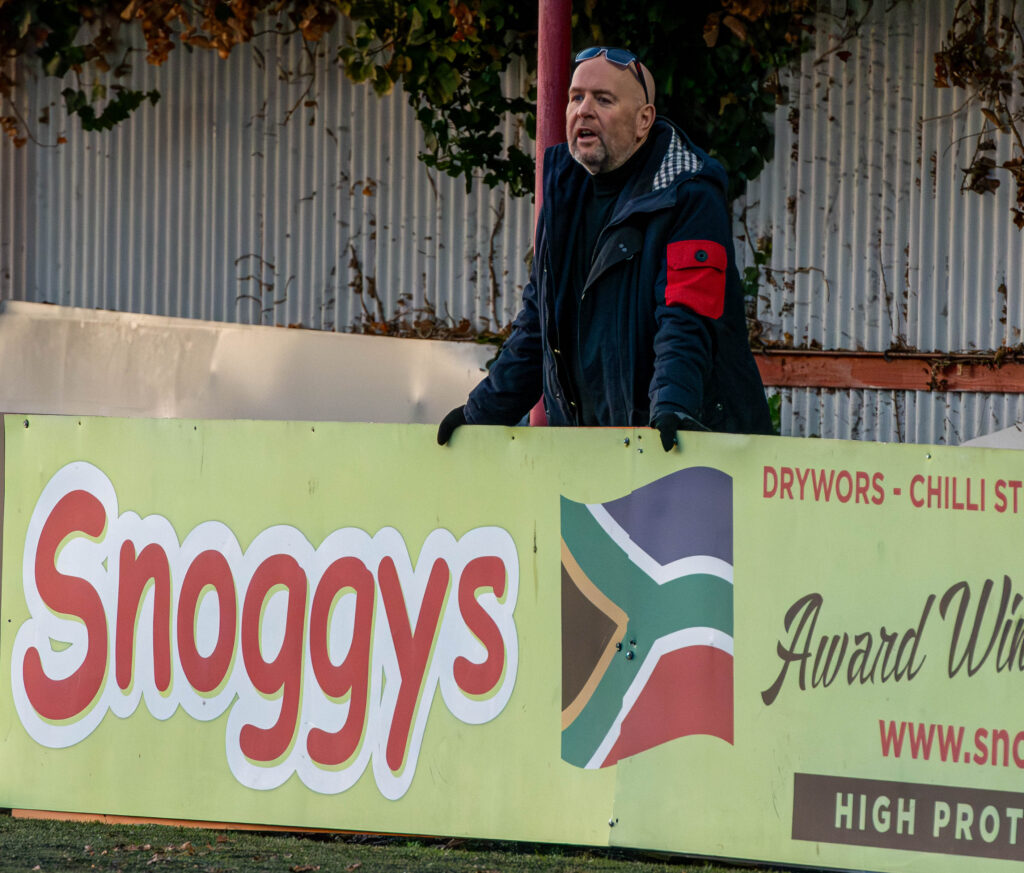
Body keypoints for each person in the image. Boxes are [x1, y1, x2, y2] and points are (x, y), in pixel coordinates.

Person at [437, 46, 773, 451]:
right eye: (576, 97)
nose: (584, 110)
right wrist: (482, 414)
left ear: (643, 120)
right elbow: (539, 324)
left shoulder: (688, 191)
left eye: (603, 99)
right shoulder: (563, 191)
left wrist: (674, 406)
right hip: (593, 451)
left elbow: (686, 316)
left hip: (690, 445)